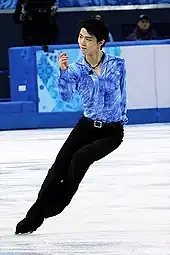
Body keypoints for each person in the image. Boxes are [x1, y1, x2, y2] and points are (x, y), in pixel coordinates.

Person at [15, 17, 128, 234]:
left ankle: (56, 205)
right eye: (80, 37)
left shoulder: (116, 65)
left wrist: (87, 75)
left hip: (111, 132)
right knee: (58, 167)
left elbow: (112, 94)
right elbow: (66, 97)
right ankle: (35, 215)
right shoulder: (75, 68)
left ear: (101, 42)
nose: (82, 42)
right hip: (86, 126)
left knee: (80, 158)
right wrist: (65, 74)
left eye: (88, 38)